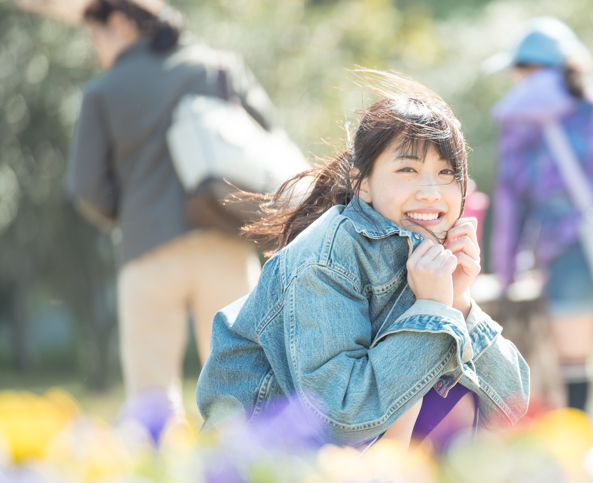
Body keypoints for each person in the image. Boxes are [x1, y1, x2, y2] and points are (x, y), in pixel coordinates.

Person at [195, 76, 530, 449]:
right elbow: (340, 415)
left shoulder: (418, 251)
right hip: (260, 464)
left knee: (460, 394)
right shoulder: (325, 260)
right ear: (363, 183)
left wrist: (458, 304)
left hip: (346, 460)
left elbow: (512, 410)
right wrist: (432, 312)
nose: (430, 192)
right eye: (408, 170)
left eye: (446, 173)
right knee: (427, 360)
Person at [67, 0, 278, 419]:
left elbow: (86, 186)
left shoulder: (102, 91)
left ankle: (158, 479)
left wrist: (132, 214)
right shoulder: (218, 67)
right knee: (243, 386)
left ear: (123, 23)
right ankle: (243, 477)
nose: (96, 49)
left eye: (97, 35)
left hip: (147, 254)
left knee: (151, 398)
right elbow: (268, 140)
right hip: (226, 241)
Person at [488, 17, 593, 429]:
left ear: (528, 69)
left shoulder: (522, 118)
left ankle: (582, 456)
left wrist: (507, 271)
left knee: (574, 367)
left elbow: (511, 199)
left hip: (566, 249)